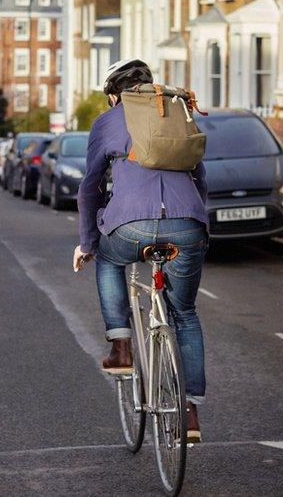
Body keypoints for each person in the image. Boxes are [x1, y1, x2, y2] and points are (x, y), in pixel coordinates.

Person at [73, 59, 209, 442]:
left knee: (108, 258)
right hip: (188, 226)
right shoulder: (177, 109)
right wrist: (200, 231)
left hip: (130, 227)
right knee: (185, 314)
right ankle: (190, 413)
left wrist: (87, 243)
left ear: (115, 94)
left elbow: (90, 187)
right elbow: (200, 177)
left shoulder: (109, 120)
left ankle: (121, 347)